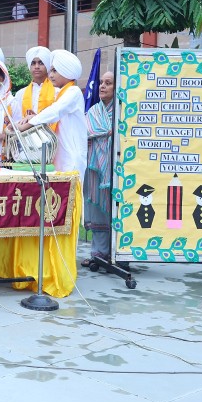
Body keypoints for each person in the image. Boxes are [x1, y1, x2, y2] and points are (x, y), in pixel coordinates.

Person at [13, 50, 87, 180]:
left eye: (54, 71)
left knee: (72, 198)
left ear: (66, 71)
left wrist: (29, 123)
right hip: (60, 156)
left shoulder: (73, 92)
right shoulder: (62, 93)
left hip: (71, 157)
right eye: (51, 71)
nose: (50, 75)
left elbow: (55, 111)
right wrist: (33, 117)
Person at [82, 71, 114, 267]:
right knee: (97, 206)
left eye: (108, 83)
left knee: (114, 208)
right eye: (101, 82)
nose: (102, 86)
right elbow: (85, 131)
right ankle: (98, 253)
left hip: (115, 168)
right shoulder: (94, 111)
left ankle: (114, 253)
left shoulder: (122, 111)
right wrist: (106, 133)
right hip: (95, 168)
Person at [13, 46, 55, 122]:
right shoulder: (20, 94)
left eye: (41, 63)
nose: (36, 67)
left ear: (47, 66)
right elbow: (17, 121)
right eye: (33, 63)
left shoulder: (56, 91)